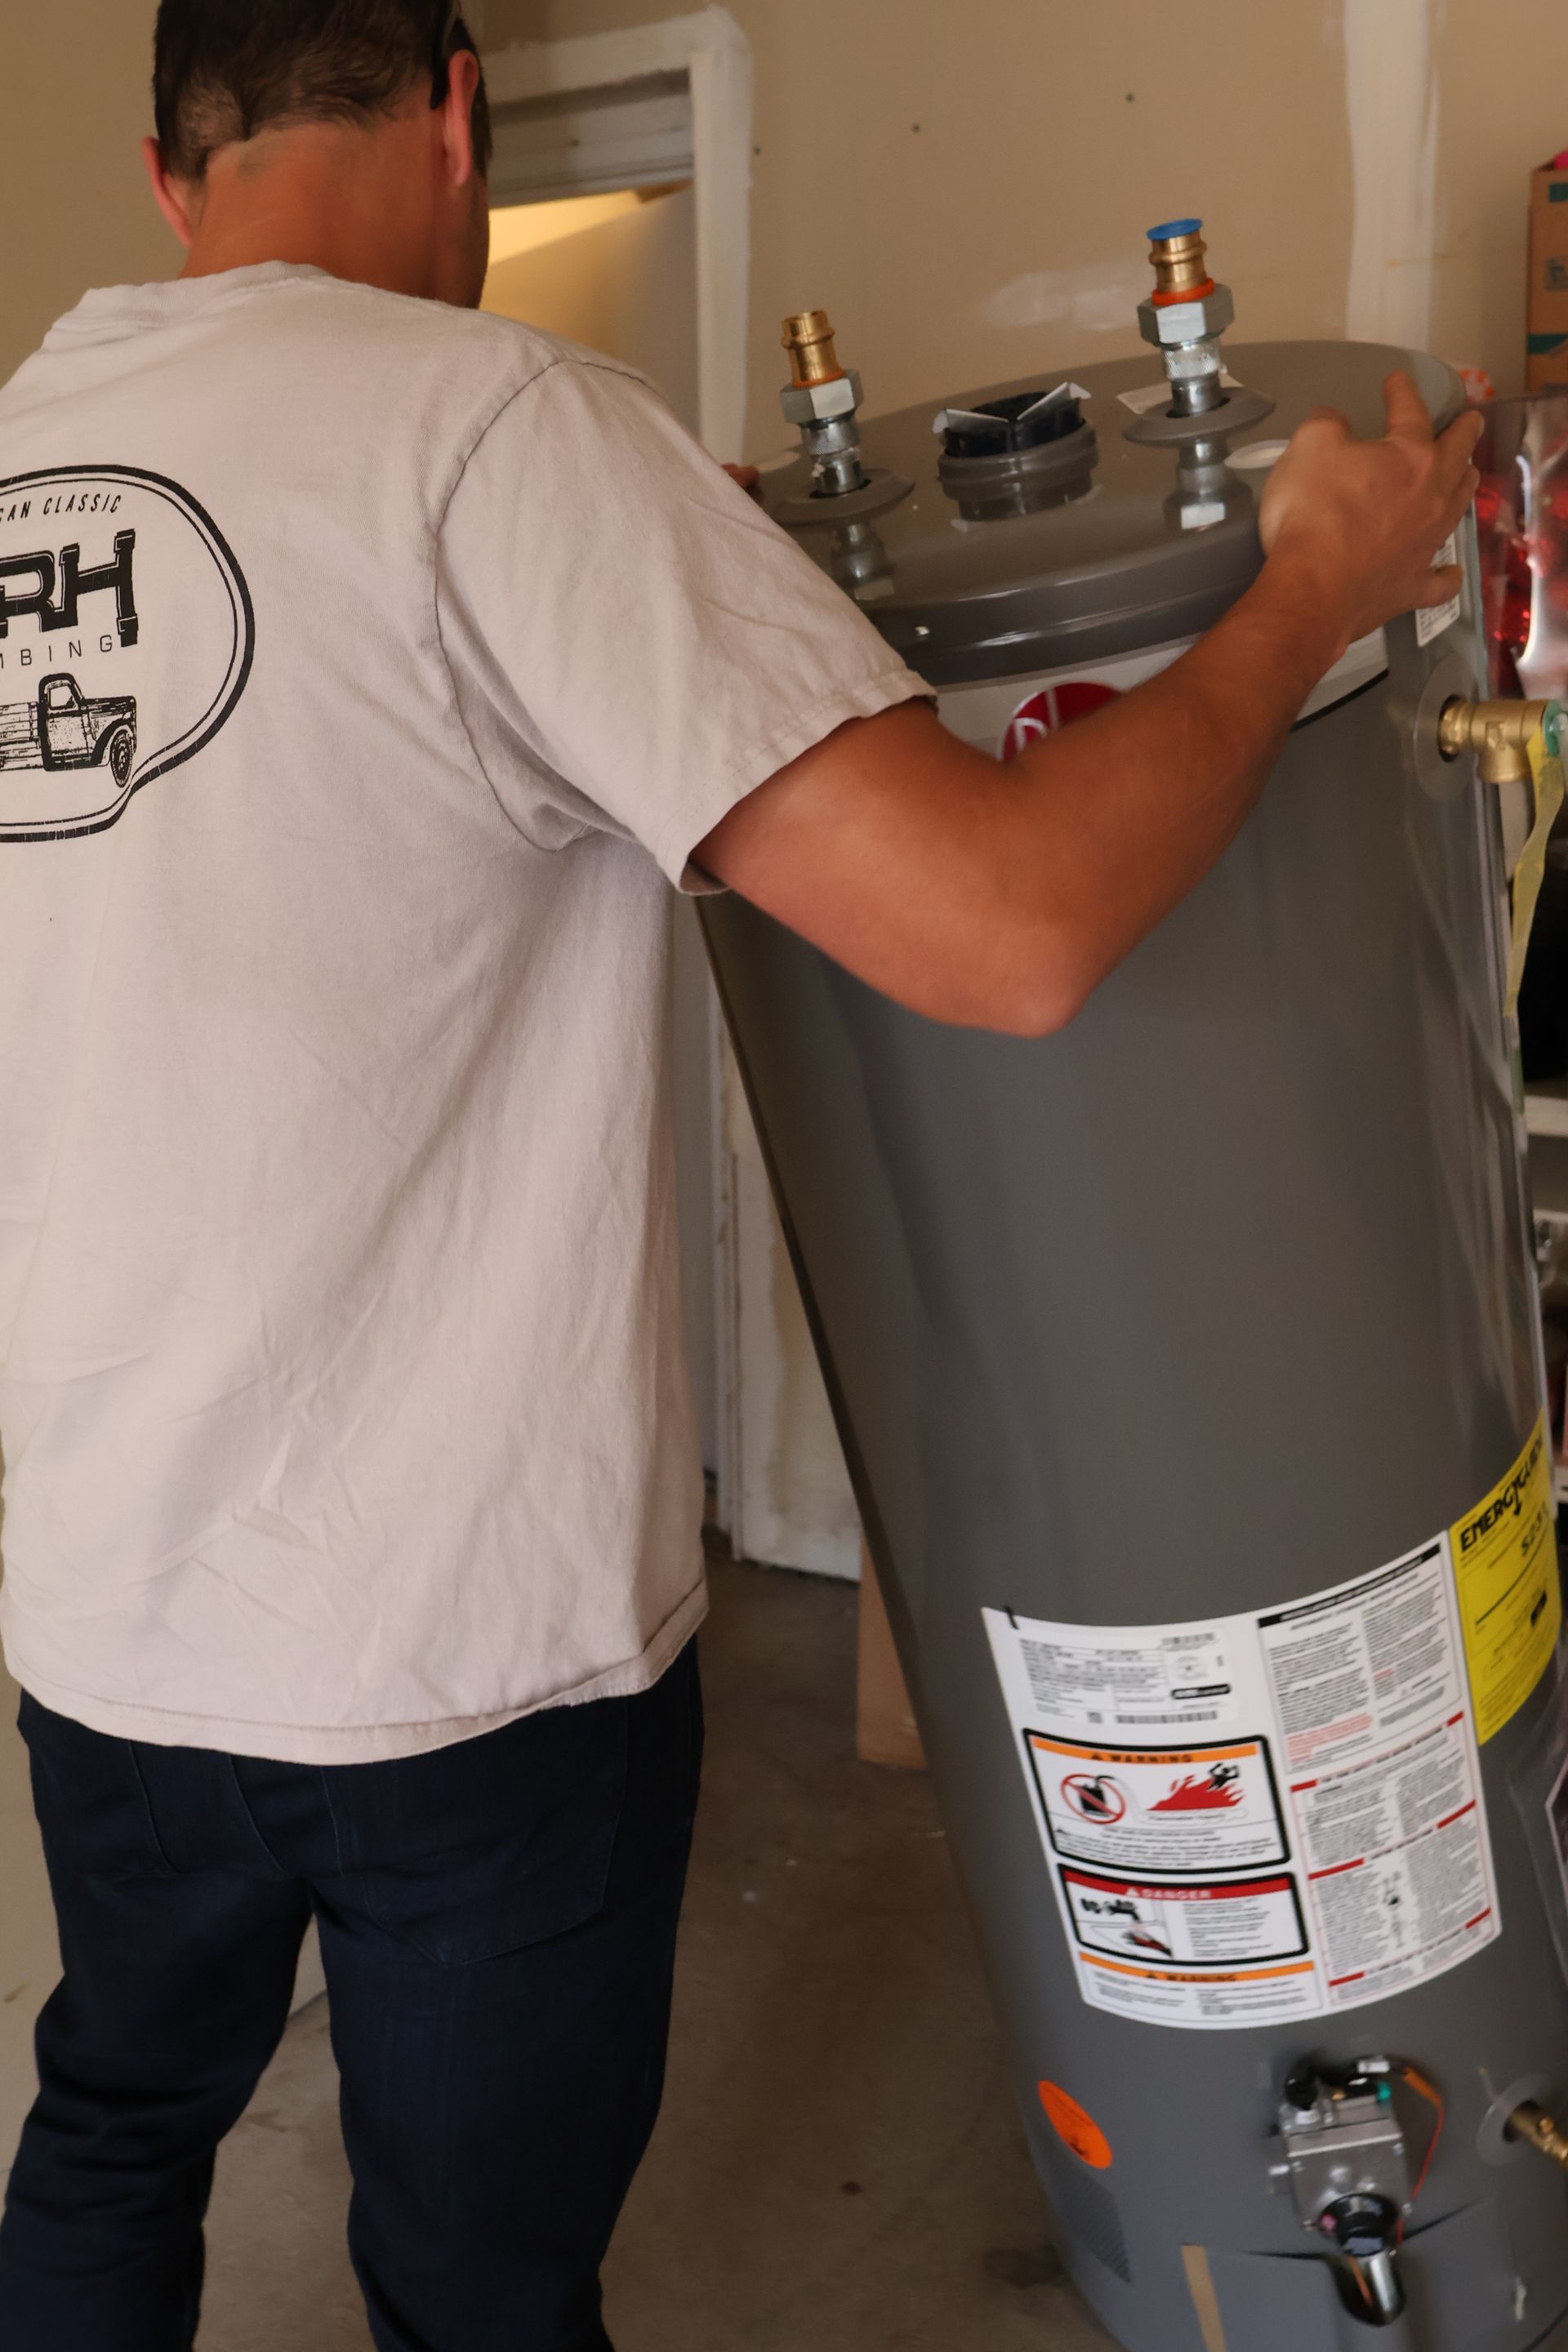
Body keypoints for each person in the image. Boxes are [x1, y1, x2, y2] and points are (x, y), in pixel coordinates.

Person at [0, 2, 1481, 2348]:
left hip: (102, 1610)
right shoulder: (494, 433)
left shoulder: (23, 458)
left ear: (171, 173)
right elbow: (1007, 933)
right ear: (458, 107)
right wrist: (1319, 582)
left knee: (112, 2124)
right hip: (461, 1651)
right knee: (477, 2278)